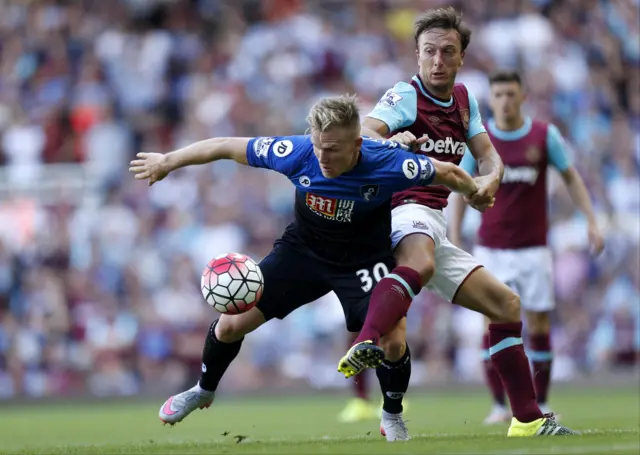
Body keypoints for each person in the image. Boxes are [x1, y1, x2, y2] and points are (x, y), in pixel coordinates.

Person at [129, 95, 480, 441]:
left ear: (358, 143)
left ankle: (391, 414)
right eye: (318, 146)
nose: (323, 157)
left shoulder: (387, 162)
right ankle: (204, 390)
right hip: (303, 254)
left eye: (333, 149)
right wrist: (167, 161)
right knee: (230, 325)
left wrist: (478, 192)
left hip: (362, 260)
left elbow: (447, 172)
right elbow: (223, 145)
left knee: (393, 340)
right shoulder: (295, 152)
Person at [336, 7, 579, 437]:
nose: (437, 61)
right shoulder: (405, 95)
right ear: (417, 55)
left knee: (506, 305)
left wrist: (491, 180)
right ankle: (365, 340)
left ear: (461, 57)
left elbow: (488, 154)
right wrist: (391, 140)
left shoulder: (465, 100)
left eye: (447, 52)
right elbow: (365, 133)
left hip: (433, 221)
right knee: (416, 271)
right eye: (429, 51)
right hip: (398, 211)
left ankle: (526, 419)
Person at [449, 70, 605, 424]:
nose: (504, 101)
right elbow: (460, 186)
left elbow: (571, 177)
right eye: (498, 95)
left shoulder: (542, 135)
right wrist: (455, 237)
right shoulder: (481, 140)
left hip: (533, 249)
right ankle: (499, 406)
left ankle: (542, 400)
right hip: (492, 248)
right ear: (491, 99)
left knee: (537, 326)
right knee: (492, 324)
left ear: (522, 97)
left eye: (510, 94)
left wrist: (592, 221)